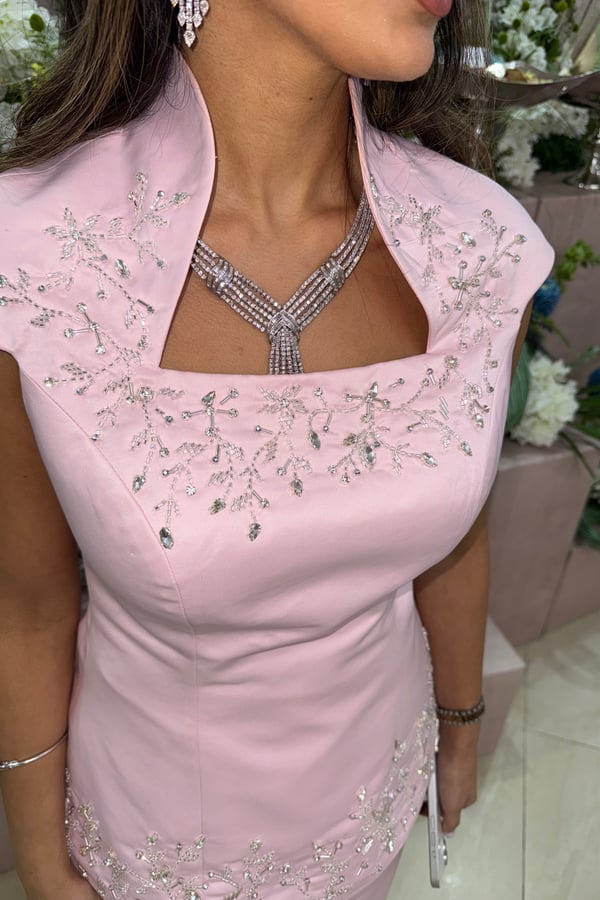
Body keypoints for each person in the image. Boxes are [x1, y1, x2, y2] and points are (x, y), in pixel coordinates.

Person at [0, 1, 554, 898]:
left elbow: (457, 537)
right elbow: (26, 610)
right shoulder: (31, 259)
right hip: (152, 842)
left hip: (371, 806)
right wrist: (41, 870)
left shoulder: (480, 246)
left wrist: (460, 726)